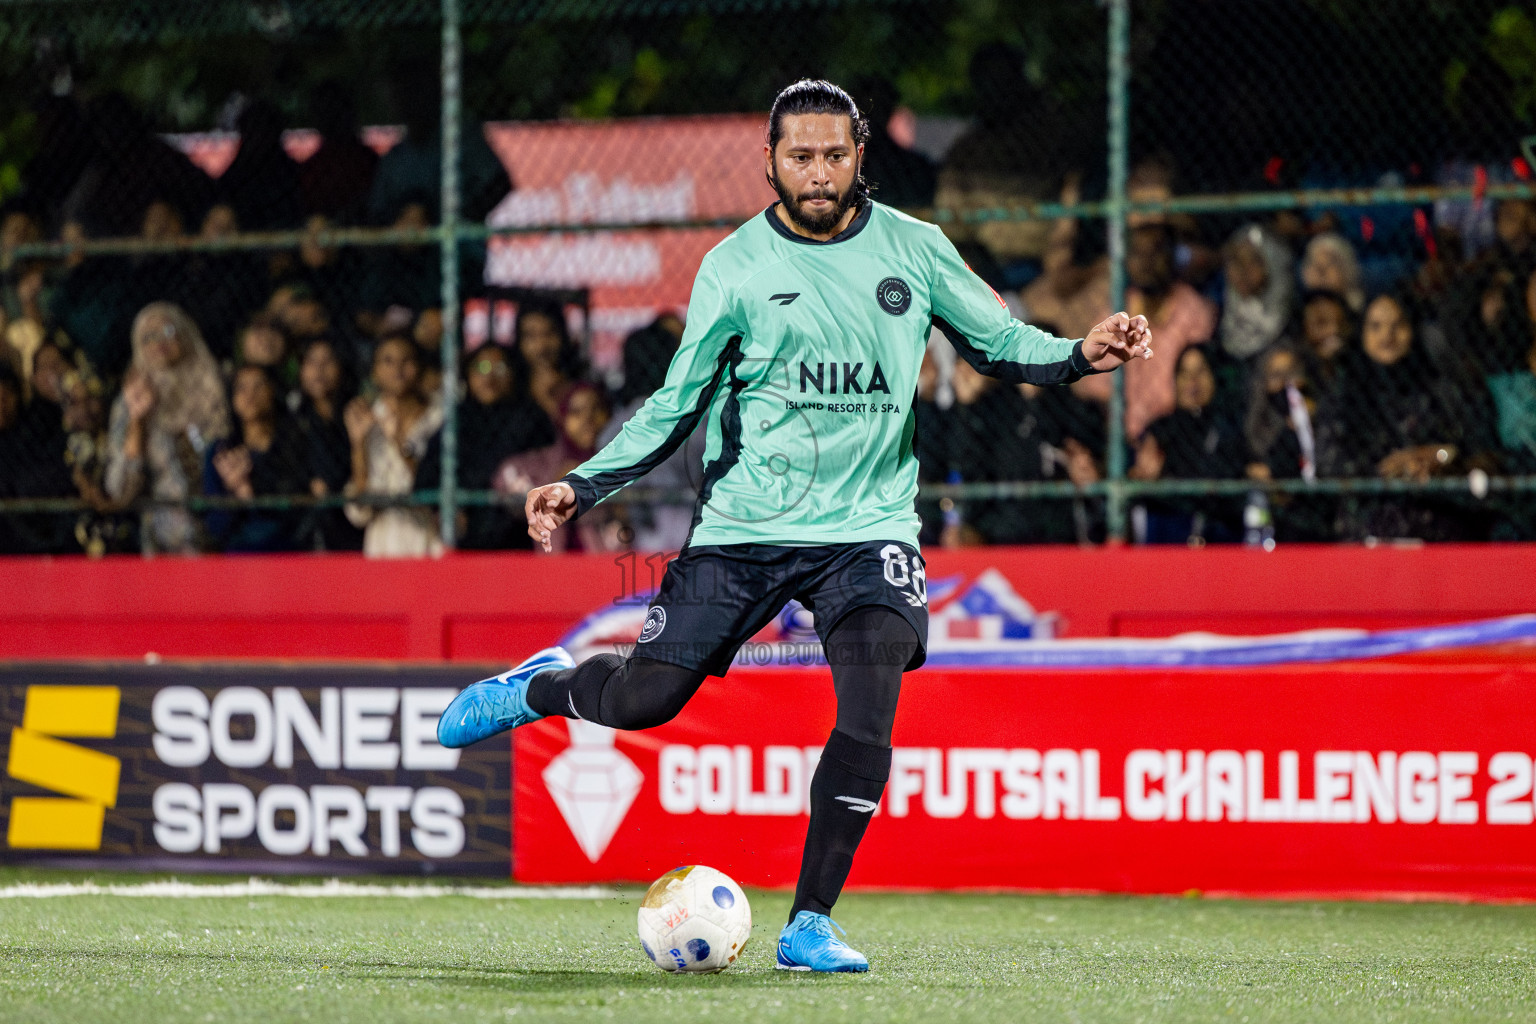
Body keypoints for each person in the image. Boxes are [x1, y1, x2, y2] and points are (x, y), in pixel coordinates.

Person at [436, 81, 1151, 973]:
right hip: (744, 529)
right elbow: (676, 404)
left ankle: (809, 922)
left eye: (835, 155)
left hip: (869, 529)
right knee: (643, 702)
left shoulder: (916, 247)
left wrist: (1081, 352)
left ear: (861, 157)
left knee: (874, 688)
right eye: (801, 157)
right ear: (770, 162)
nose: (819, 173)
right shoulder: (734, 266)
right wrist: (581, 486)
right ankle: (542, 687)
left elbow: (1001, 342)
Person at [103, 302, 230, 554]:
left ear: (185, 334)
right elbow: (118, 488)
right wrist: (138, 420)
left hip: (218, 526)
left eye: (168, 331)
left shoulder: (214, 387)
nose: (159, 342)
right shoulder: (130, 400)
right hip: (162, 538)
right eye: (148, 337)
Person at [342, 333, 443, 557]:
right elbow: (359, 512)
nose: (397, 368)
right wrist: (358, 444)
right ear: (374, 372)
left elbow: (429, 489)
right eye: (387, 361)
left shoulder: (439, 418)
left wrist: (398, 440)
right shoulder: (368, 420)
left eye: (406, 360)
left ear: (419, 368)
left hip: (427, 541)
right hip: (382, 545)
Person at [202, 364, 307, 552]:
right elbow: (215, 527)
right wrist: (234, 493)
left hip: (290, 555)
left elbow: (301, 517)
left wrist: (249, 495)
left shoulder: (295, 446)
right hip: (239, 557)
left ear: (273, 392)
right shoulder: (220, 452)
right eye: (241, 388)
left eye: (258, 386)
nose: (250, 395)